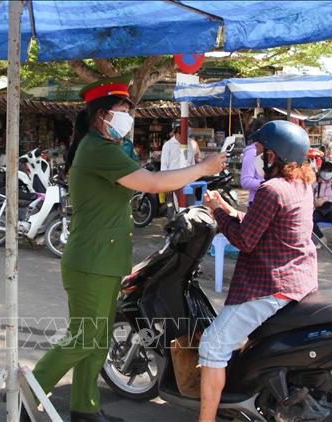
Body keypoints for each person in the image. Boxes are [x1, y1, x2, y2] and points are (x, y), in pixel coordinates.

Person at [30, 76, 227, 422]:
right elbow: (151, 184)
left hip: (103, 260)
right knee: (84, 338)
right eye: (121, 109)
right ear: (100, 115)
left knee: (98, 338)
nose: (127, 115)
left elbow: (141, 176)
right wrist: (202, 168)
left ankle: (85, 408)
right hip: (90, 262)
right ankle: (26, 397)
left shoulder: (108, 147)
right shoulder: (97, 149)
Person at [199, 120, 318, 422]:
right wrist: (227, 209)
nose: (258, 157)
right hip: (299, 278)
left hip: (270, 283)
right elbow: (264, 222)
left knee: (212, 345)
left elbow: (244, 240)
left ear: (275, 155)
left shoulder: (271, 189)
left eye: (262, 151)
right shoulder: (301, 184)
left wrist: (215, 212)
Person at [161, 121, 196, 219]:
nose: (186, 135)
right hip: (172, 183)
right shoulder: (168, 145)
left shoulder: (190, 145)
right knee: (172, 210)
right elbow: (164, 166)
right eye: (184, 132)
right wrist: (165, 185)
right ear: (177, 132)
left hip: (188, 183)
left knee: (190, 209)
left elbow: (192, 163)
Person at [312, 161, 332, 253]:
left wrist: (325, 199)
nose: (326, 174)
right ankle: (321, 238)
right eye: (324, 171)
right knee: (308, 218)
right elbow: (309, 197)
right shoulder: (316, 185)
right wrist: (315, 202)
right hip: (320, 211)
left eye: (328, 171)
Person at [240, 117, 268, 205]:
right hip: (256, 202)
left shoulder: (268, 150)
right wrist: (267, 184)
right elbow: (246, 181)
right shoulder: (251, 152)